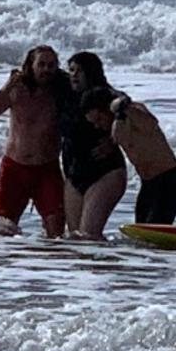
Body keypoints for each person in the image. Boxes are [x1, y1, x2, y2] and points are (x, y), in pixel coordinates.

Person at [0, 45, 68, 237]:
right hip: (14, 169)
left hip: (46, 169)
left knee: (56, 232)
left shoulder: (62, 91)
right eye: (41, 65)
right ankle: (12, 268)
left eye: (51, 65)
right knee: (3, 230)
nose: (46, 70)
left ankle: (56, 266)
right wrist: (5, 90)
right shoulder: (17, 90)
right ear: (31, 66)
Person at [80, 89, 176, 224]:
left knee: (154, 228)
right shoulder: (115, 128)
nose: (99, 126)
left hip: (170, 180)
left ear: (109, 109)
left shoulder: (134, 112)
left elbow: (151, 122)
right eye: (94, 123)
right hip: (149, 184)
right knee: (141, 230)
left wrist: (121, 112)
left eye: (99, 119)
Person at [61, 53, 126, 239]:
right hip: (74, 174)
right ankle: (89, 267)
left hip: (104, 172)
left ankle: (107, 265)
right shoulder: (63, 90)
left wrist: (114, 139)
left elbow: (126, 104)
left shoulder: (105, 94)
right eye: (71, 70)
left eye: (80, 71)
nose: (74, 75)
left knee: (89, 235)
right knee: (74, 237)